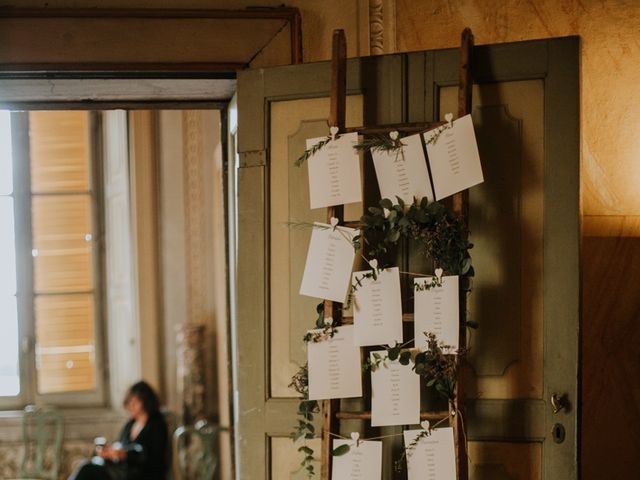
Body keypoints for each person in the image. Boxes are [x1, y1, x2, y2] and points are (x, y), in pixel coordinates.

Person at [68, 381, 169, 480]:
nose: (131, 406)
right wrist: (109, 452)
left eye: (136, 402)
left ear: (146, 401)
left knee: (87, 469)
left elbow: (154, 458)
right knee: (88, 465)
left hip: (143, 474)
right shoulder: (130, 425)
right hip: (123, 471)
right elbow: (120, 445)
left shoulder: (157, 424)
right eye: (130, 402)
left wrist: (126, 455)